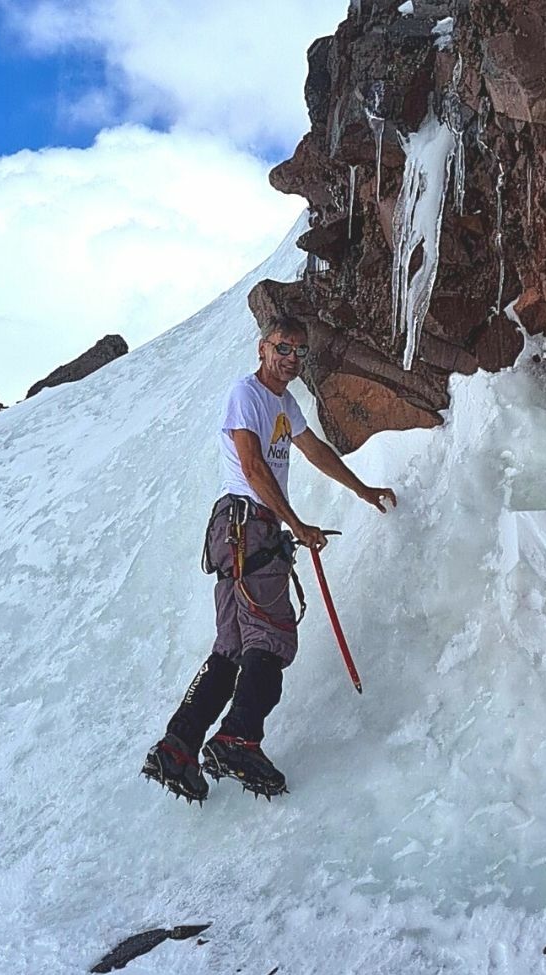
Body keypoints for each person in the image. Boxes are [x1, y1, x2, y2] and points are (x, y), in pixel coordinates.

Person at [142, 315, 397, 801]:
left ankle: (178, 748)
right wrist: (295, 525)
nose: (291, 360)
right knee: (272, 638)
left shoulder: (283, 403)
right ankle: (239, 738)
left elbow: (314, 450)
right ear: (262, 348)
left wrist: (361, 490)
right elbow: (253, 466)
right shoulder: (248, 394)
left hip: (239, 530)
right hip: (248, 525)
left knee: (233, 649)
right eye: (283, 349)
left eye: (300, 352)